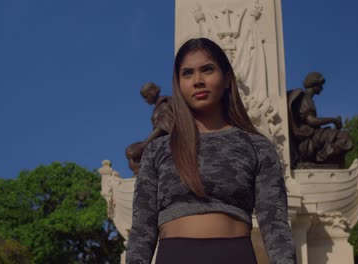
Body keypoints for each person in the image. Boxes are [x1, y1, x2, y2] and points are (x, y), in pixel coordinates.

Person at [126, 38, 296, 264]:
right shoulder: (158, 150)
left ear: (226, 79)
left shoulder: (257, 147)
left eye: (207, 70)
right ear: (178, 84)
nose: (198, 81)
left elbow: (275, 226)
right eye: (187, 73)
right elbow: (141, 230)